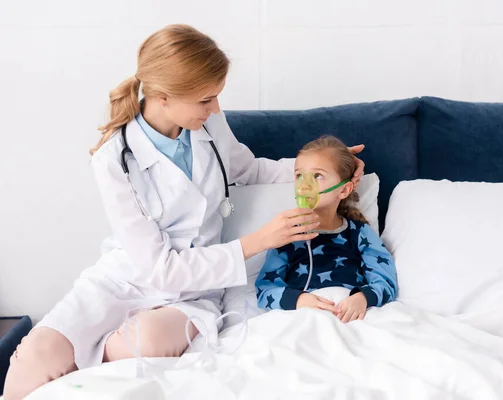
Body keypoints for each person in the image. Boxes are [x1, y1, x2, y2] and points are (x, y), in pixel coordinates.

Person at [4, 25, 365, 399]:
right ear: (162, 97)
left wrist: (326, 171)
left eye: (216, 97)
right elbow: (158, 268)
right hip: (124, 280)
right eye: (205, 100)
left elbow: (247, 169)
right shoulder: (115, 159)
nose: (215, 108)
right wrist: (259, 241)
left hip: (194, 291)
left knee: (136, 345)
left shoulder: (209, 121)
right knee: (34, 357)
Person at [255, 136, 397, 323]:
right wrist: (298, 300)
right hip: (303, 317)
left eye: (317, 176)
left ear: (344, 190)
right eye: (299, 175)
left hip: (349, 315)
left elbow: (385, 280)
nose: (305, 185)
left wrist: (362, 298)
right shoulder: (287, 234)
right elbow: (265, 289)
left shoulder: (359, 233)